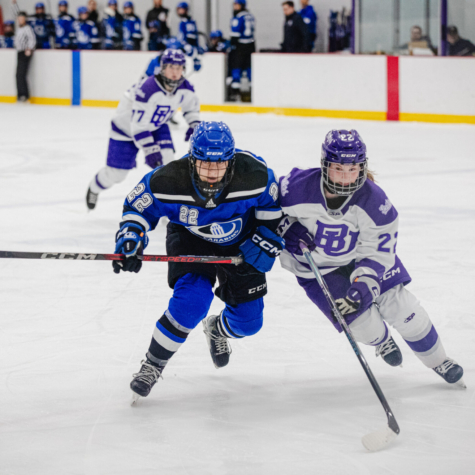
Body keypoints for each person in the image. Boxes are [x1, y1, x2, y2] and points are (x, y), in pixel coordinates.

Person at [111, 120, 284, 400]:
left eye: (219, 164)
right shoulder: (168, 179)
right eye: (204, 164)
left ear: (231, 159)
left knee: (249, 323)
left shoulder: (256, 174)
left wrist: (265, 238)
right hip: (190, 237)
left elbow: (272, 211)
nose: (212, 173)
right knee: (192, 302)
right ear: (192, 160)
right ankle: (153, 365)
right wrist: (131, 238)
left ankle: (217, 328)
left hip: (241, 244)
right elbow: (138, 208)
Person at [277, 129, 465, 387]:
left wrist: (364, 286)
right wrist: (286, 227)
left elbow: (377, 252)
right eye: (338, 169)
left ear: (362, 167)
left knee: (403, 309)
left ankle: (439, 360)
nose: (346, 178)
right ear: (324, 165)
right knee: (364, 327)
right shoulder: (296, 187)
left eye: (353, 169)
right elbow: (266, 210)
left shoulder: (376, 202)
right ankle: (382, 340)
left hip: (360, 260)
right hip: (318, 269)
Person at [86, 49, 200, 210]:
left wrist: (193, 124)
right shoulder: (148, 88)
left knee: (168, 165)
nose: (175, 73)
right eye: (171, 67)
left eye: (179, 68)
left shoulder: (186, 87)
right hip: (125, 131)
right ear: (162, 68)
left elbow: (191, 108)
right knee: (117, 174)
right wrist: (149, 149)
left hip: (156, 126)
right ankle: (94, 187)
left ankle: (168, 209)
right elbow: (138, 126)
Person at [228, 0, 255, 101]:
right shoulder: (250, 16)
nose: (235, 7)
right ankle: (252, 93)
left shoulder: (238, 17)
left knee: (236, 69)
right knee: (249, 70)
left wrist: (229, 44)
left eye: (237, 4)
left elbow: (235, 36)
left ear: (241, 6)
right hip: (251, 45)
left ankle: (235, 94)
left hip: (240, 47)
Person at [14, 11, 35, 102]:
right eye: (19, 18)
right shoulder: (19, 29)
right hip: (19, 52)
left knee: (22, 74)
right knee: (18, 74)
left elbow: (32, 39)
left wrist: (29, 49)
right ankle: (20, 94)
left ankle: (24, 95)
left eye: (22, 18)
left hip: (25, 52)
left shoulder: (27, 28)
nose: (20, 20)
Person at [176, 2, 202, 72]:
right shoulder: (182, 21)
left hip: (189, 47)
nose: (180, 11)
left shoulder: (189, 22)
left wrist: (194, 46)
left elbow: (193, 37)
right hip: (183, 47)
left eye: (181, 9)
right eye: (179, 9)